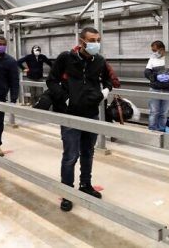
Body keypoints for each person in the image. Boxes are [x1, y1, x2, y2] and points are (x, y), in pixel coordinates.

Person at [46, 27, 112, 212]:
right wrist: (65, 98)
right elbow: (51, 81)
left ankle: (85, 185)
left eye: (98, 40)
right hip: (70, 116)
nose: (95, 44)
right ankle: (67, 192)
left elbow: (109, 80)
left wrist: (103, 93)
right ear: (82, 41)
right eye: (92, 40)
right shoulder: (66, 58)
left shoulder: (99, 60)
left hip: (91, 113)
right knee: (70, 156)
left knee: (88, 152)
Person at [144, 40, 169, 132]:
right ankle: (152, 130)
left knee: (164, 113)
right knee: (154, 112)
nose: (154, 53)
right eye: (153, 51)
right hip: (155, 89)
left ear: (162, 49)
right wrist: (155, 77)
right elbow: (146, 72)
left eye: (155, 50)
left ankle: (161, 130)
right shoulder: (152, 59)